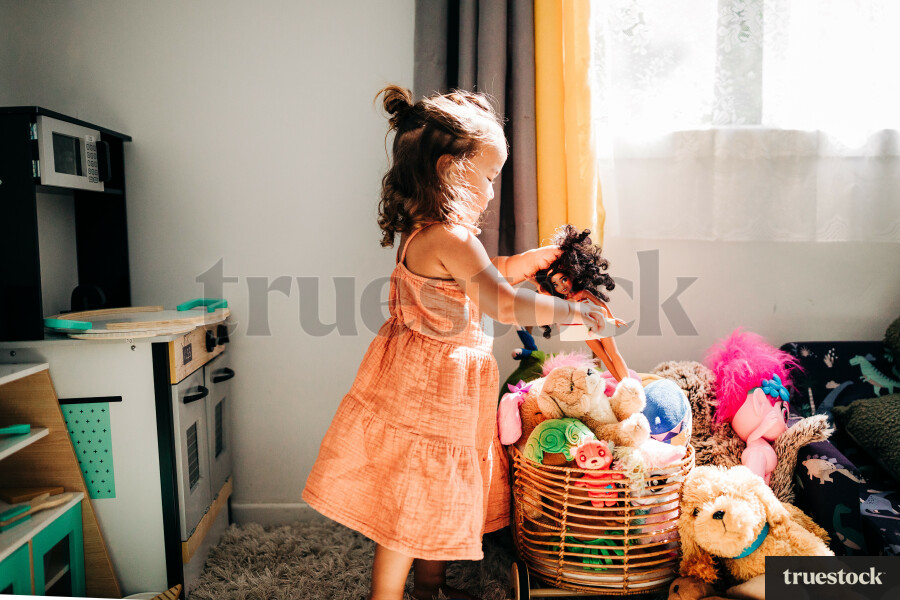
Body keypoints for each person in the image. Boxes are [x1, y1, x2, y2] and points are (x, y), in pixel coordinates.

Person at [301, 85, 609, 600]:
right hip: (434, 384)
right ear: (450, 169)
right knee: (415, 496)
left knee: (432, 488)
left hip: (424, 377)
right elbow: (502, 304)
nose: (492, 192)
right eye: (489, 177)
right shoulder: (452, 238)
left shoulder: (428, 232)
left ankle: (430, 585)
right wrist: (575, 311)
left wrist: (522, 263)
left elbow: (482, 279)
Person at [534, 225, 633, 383]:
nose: (563, 286)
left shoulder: (581, 294)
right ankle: (623, 386)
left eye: (564, 279)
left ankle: (629, 384)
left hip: (599, 322)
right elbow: (541, 291)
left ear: (572, 275)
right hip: (583, 329)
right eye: (556, 284)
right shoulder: (561, 301)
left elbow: (600, 304)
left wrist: (613, 319)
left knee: (613, 354)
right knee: (605, 359)